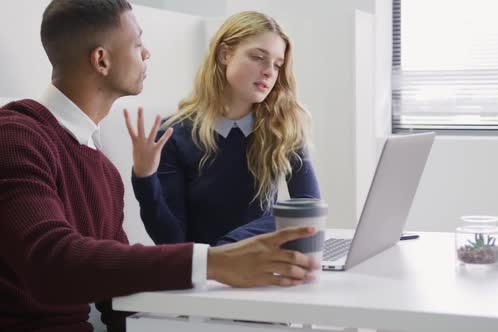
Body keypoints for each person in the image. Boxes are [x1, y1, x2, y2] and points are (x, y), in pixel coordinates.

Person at [0, 1, 319, 331]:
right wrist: (213, 262)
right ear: (101, 60)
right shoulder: (14, 137)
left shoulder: (104, 172)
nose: (147, 53)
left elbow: (116, 292)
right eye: (138, 43)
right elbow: (51, 262)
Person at [129, 11, 321, 247]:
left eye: (277, 65)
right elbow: (171, 241)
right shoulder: (173, 134)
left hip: (262, 267)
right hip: (205, 276)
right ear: (225, 54)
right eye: (258, 57)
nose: (269, 71)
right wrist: (144, 178)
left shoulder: (284, 126)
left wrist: (229, 247)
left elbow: (308, 210)